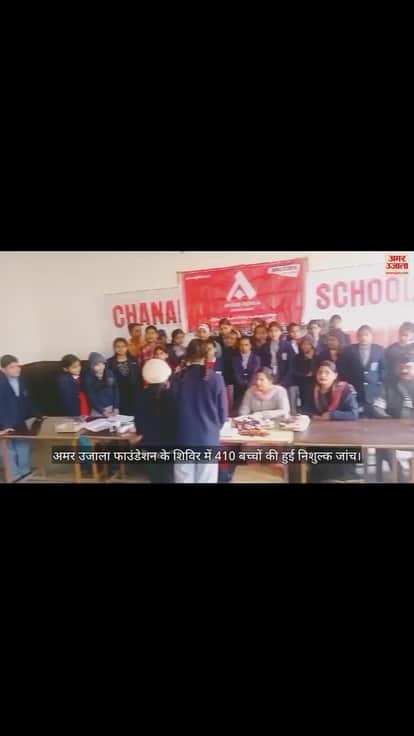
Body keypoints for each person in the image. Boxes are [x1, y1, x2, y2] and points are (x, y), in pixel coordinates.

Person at [171, 339, 228, 483]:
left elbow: (171, 410)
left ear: (188, 354)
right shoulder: (216, 379)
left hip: (183, 437)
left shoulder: (178, 377)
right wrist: (214, 428)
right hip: (208, 437)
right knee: (206, 479)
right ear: (206, 355)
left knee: (183, 478)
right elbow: (222, 414)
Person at [301, 361, 359, 482]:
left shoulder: (344, 390)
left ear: (335, 375)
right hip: (318, 434)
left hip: (342, 434)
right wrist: (313, 416)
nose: (323, 375)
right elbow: (305, 410)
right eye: (320, 372)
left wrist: (332, 415)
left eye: (327, 372)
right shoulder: (312, 389)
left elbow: (354, 414)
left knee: (339, 453)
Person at [372, 347, 414, 481]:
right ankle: (400, 478)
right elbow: (378, 406)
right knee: (386, 447)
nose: (404, 370)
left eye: (408, 367)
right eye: (401, 367)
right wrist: (389, 421)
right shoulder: (388, 383)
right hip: (393, 433)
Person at [0, 354, 42, 482]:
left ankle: (25, 471)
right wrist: (3, 427)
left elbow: (28, 400)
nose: (17, 369)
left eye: (18, 366)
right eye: (12, 367)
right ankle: (14, 475)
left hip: (20, 420)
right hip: (4, 424)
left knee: (23, 446)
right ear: (3, 369)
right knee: (8, 451)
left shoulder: (22, 381)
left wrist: (38, 414)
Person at [134, 358, 174, 483]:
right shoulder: (171, 395)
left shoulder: (141, 395)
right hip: (169, 443)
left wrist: (141, 434)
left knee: (154, 476)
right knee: (168, 476)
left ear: (146, 378)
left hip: (148, 443)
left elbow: (138, 423)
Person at [341, 325, 385, 416]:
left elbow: (383, 368)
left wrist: (380, 382)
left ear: (372, 336)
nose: (363, 338)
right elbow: (344, 369)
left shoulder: (379, 350)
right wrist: (347, 384)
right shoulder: (349, 350)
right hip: (355, 389)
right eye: (361, 335)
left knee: (373, 416)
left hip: (373, 390)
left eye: (366, 335)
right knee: (357, 415)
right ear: (357, 337)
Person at [107, 338, 141, 415]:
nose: (121, 349)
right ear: (114, 348)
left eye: (123, 346)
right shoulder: (110, 362)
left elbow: (139, 376)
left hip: (133, 392)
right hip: (118, 393)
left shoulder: (134, 359)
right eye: (118, 346)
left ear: (127, 347)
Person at [84, 353, 120, 417]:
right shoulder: (88, 378)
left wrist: (116, 407)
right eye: (97, 365)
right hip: (98, 410)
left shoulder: (109, 373)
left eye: (103, 364)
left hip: (112, 408)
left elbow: (115, 389)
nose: (101, 367)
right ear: (91, 366)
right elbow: (91, 397)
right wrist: (102, 411)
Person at [232, 336, 261, 411]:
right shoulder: (235, 358)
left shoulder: (256, 358)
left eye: (246, 345)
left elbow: (254, 374)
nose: (243, 347)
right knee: (238, 409)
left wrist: (248, 387)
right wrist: (242, 384)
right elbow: (236, 373)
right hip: (239, 388)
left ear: (250, 345)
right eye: (241, 345)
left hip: (252, 387)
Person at [278, 322, 302, 415]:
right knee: (291, 398)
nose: (295, 333)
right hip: (290, 376)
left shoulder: (304, 342)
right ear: (288, 332)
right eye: (292, 331)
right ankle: (292, 413)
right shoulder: (285, 344)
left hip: (301, 374)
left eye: (297, 331)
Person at [294, 336, 318, 411]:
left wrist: (310, 359)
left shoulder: (316, 357)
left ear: (312, 346)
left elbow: (314, 370)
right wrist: (304, 375)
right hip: (300, 380)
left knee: (310, 386)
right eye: (304, 344)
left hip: (313, 381)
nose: (305, 346)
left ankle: (309, 408)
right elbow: (294, 371)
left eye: (308, 344)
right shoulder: (297, 357)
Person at [222, 330, 239, 414]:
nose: (229, 340)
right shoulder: (222, 351)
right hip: (225, 380)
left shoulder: (238, 352)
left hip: (235, 381)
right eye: (227, 338)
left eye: (232, 338)